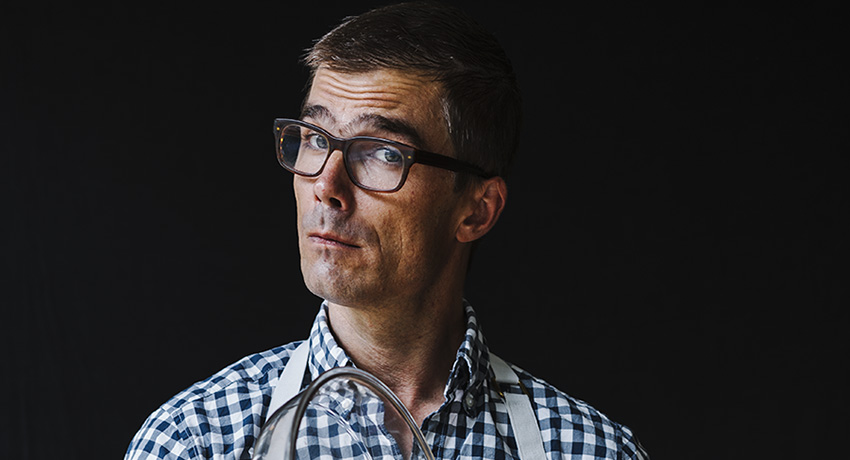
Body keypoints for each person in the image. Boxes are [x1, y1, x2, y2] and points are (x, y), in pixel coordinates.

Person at [125, 2, 648, 459]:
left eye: (382, 152)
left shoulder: (590, 450)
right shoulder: (196, 442)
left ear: (477, 210)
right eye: (315, 138)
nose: (326, 186)